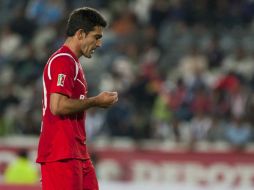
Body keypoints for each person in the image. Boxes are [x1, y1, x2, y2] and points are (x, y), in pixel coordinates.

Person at [36, 7, 118, 190]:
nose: (99, 44)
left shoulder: (73, 63)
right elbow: (57, 106)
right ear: (81, 34)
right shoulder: (63, 60)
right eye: (96, 37)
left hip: (76, 152)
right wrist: (96, 101)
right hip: (61, 153)